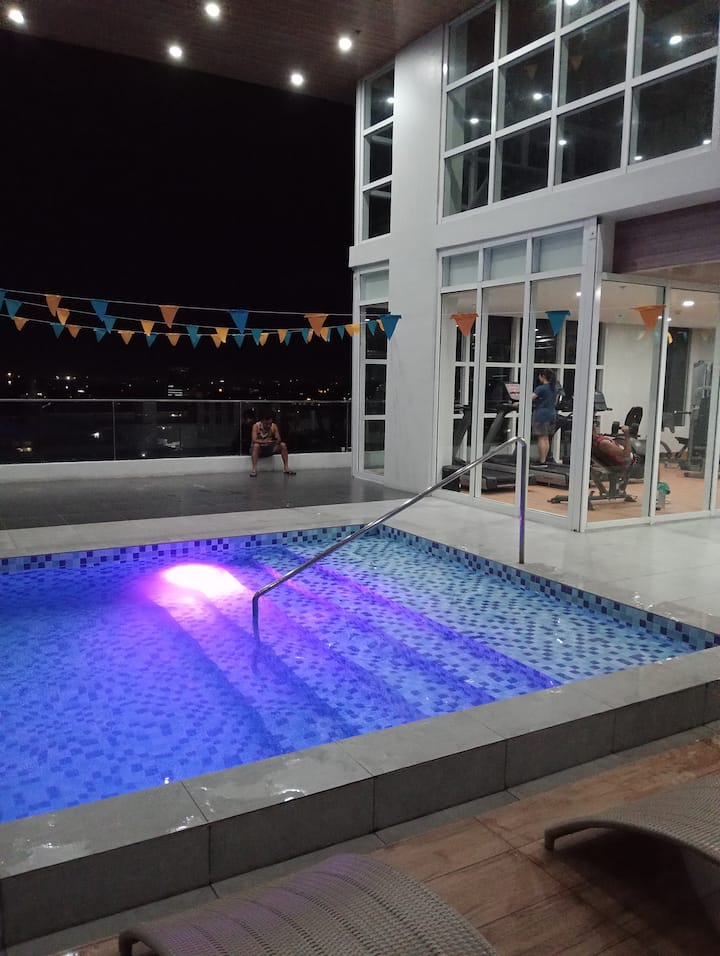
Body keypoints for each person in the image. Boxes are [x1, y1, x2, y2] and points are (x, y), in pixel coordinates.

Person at [249, 409, 295, 477]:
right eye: (266, 424)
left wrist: (275, 440)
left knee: (283, 445)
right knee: (256, 445)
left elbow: (279, 438)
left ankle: (286, 467)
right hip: (258, 449)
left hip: (269, 448)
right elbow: (254, 440)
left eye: (270, 424)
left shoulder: (274, 426)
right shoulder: (256, 426)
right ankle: (254, 469)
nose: (268, 426)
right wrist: (264, 441)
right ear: (262, 421)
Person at [531, 370, 557, 465]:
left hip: (541, 415)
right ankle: (544, 459)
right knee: (546, 438)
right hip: (552, 414)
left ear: (543, 376)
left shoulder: (541, 388)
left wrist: (518, 403)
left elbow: (530, 398)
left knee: (541, 438)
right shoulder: (554, 388)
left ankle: (542, 461)